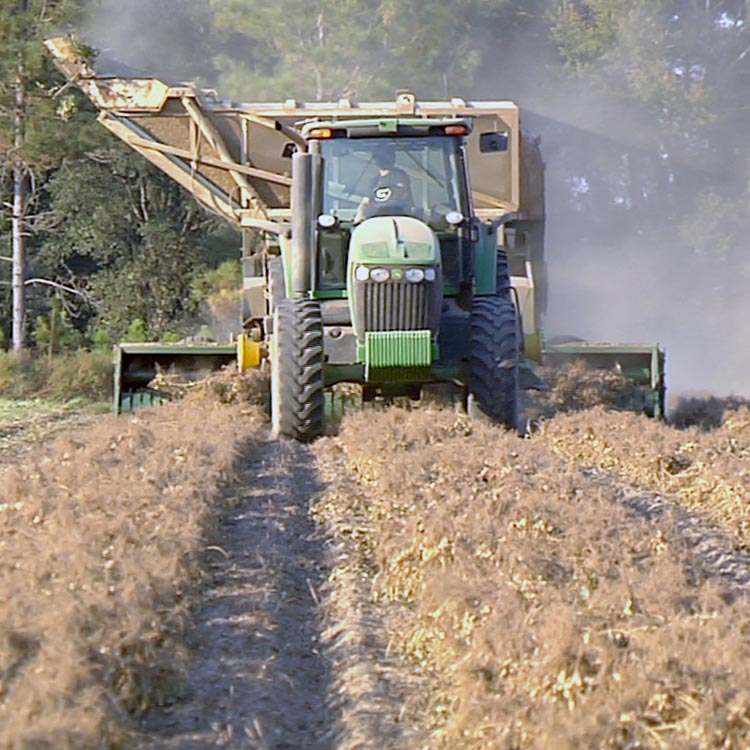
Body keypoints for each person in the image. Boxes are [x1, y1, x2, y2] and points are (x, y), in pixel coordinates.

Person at [355, 144, 414, 221]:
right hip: (376, 220)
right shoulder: (374, 181)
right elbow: (366, 202)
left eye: (387, 155)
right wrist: (360, 214)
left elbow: (401, 195)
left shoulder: (399, 175)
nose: (384, 159)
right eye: (380, 156)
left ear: (393, 158)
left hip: (398, 218)